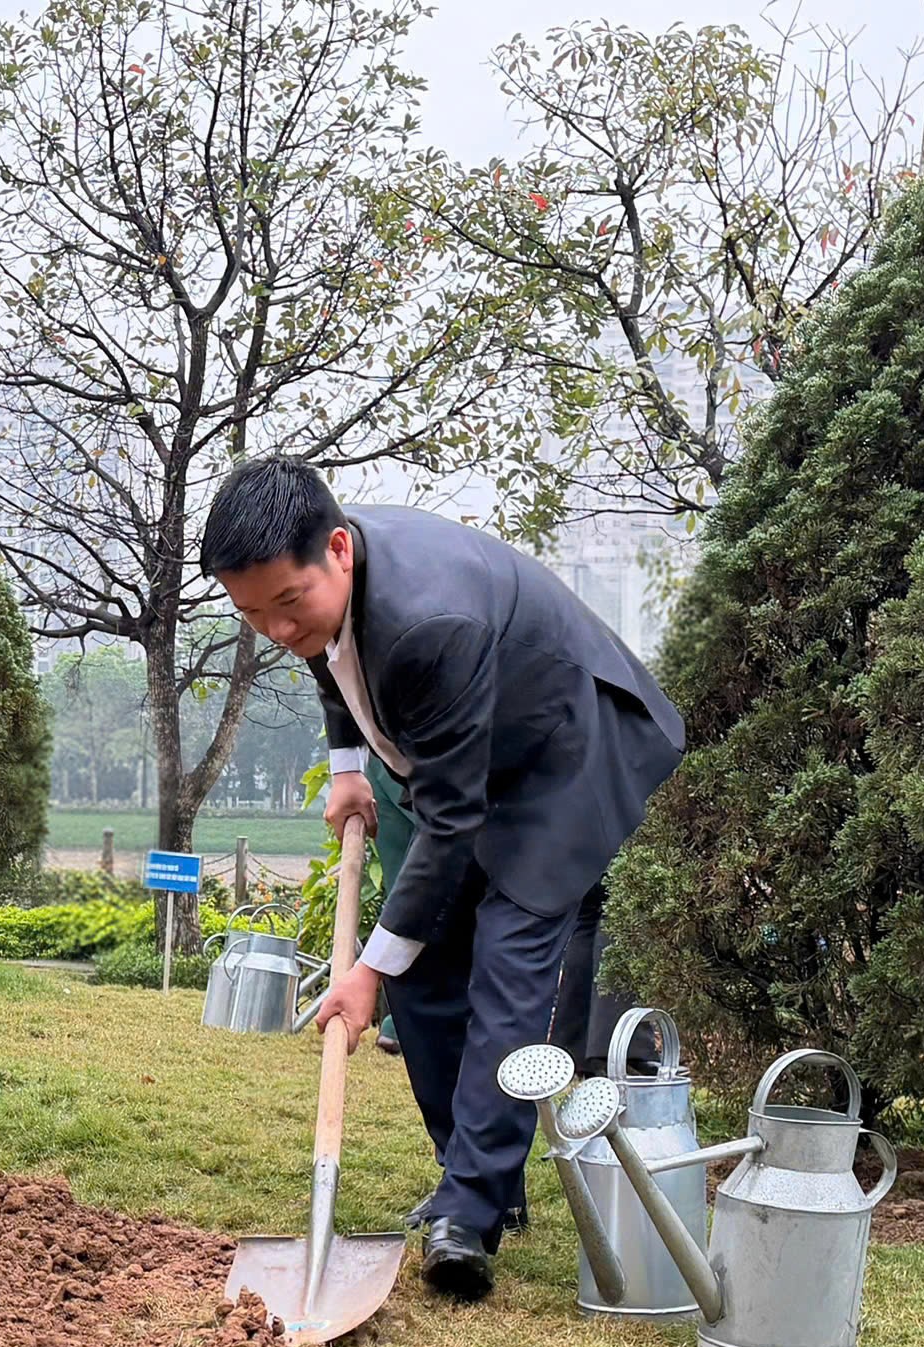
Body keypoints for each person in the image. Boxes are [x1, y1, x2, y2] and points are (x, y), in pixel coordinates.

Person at [200, 456, 685, 1300]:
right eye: (252, 613)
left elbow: (453, 823)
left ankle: (469, 1215)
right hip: (473, 754)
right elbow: (326, 650)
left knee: (506, 961)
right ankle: (478, 1172)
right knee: (419, 967)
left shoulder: (428, 623)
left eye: (286, 602)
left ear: (339, 551)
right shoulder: (318, 587)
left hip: (563, 752)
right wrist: (347, 762)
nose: (275, 628)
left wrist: (366, 970)